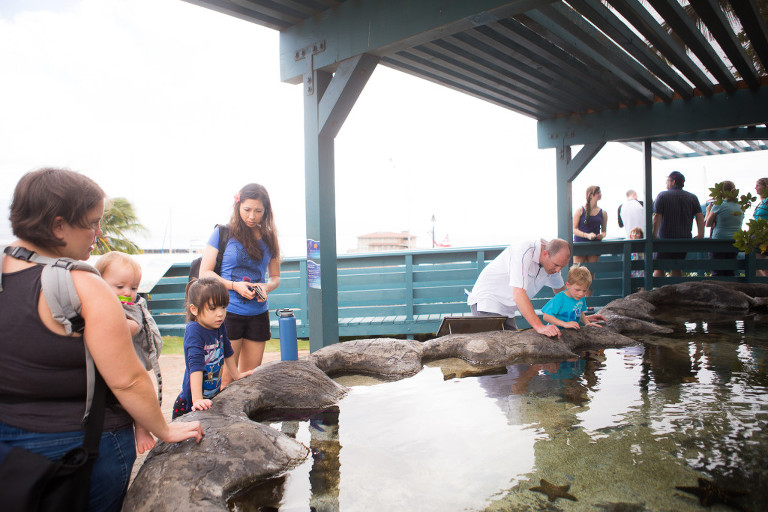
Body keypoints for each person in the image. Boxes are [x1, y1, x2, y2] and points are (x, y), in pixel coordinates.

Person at [0, 168, 203, 512]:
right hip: (85, 448)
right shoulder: (82, 284)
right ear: (58, 225)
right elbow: (127, 380)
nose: (98, 233)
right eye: (92, 223)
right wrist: (164, 430)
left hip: (10, 443)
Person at [199, 183, 281, 387]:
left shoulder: (270, 238)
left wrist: (267, 287)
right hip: (228, 313)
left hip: (258, 314)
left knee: (250, 378)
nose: (252, 216)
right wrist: (234, 286)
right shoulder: (222, 233)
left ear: (266, 211)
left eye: (258, 211)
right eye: (247, 210)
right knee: (226, 380)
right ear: (238, 206)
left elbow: (275, 277)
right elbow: (205, 273)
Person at [467, 238, 604, 339]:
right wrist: (539, 327)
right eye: (556, 265)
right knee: (496, 356)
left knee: (516, 359)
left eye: (561, 267)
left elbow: (564, 294)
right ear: (545, 254)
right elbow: (519, 293)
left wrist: (580, 315)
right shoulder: (523, 250)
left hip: (507, 310)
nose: (558, 270)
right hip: (487, 303)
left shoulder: (553, 265)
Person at [94, 251, 160, 454]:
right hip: (109, 362)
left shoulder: (130, 307)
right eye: (120, 286)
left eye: (133, 288)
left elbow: (133, 327)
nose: (128, 292)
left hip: (132, 360)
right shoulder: (96, 301)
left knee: (140, 393)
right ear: (98, 282)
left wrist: (109, 321)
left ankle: (142, 430)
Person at [172, 277, 254, 419]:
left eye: (223, 307)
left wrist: (236, 375)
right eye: (212, 308)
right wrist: (197, 399)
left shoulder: (218, 325)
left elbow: (227, 350)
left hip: (211, 395)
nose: (220, 313)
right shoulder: (194, 331)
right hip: (190, 403)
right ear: (194, 309)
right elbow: (195, 365)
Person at [652, 171, 705, 277]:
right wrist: (700, 235)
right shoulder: (692, 197)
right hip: (684, 239)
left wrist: (654, 235)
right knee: (677, 267)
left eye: (667, 181)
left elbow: (656, 217)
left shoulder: (662, 196)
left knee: (659, 267)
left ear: (673, 182)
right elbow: (700, 217)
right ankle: (674, 292)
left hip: (665, 239)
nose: (666, 183)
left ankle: (659, 292)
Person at [541, 265, 603, 330]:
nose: (581, 294)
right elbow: (546, 316)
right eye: (577, 290)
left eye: (584, 291)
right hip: (556, 330)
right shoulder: (560, 298)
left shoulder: (580, 297)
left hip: (571, 331)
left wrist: (587, 323)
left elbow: (579, 311)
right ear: (568, 285)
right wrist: (564, 324)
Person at [704, 181, 744, 277]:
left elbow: (708, 224)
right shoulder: (740, 206)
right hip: (734, 242)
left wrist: (708, 211)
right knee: (729, 272)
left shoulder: (719, 205)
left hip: (718, 242)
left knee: (717, 272)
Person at [573, 185, 607, 295]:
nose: (600, 194)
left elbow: (604, 231)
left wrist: (601, 235)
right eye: (598, 192)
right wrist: (587, 235)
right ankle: (576, 300)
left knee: (591, 273)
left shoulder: (603, 212)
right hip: (580, 245)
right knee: (578, 273)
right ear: (591, 195)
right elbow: (573, 229)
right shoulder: (580, 210)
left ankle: (588, 301)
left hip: (595, 245)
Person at [754, 177, 768, 277]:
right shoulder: (760, 203)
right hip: (758, 236)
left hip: (765, 236)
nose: (755, 188)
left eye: (758, 185)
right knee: (756, 265)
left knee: (756, 264)